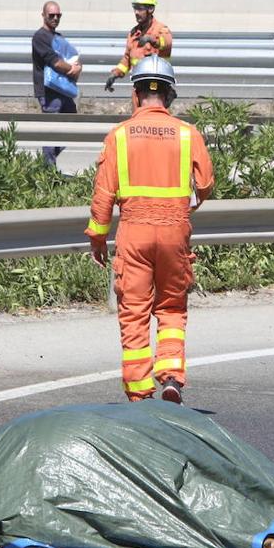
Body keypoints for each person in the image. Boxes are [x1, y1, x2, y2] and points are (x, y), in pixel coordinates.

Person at [85, 56, 214, 405]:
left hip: (135, 233)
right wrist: (184, 207)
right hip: (174, 232)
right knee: (171, 307)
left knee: (135, 310)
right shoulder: (189, 134)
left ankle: (140, 394)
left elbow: (103, 194)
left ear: (136, 94)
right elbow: (205, 184)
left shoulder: (119, 136)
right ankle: (171, 377)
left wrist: (98, 236)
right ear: (170, 96)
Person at [31, 0, 82, 167]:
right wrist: (72, 70)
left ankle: (46, 163)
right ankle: (48, 171)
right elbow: (55, 62)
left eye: (58, 15)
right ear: (43, 15)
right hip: (48, 91)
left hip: (63, 90)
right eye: (51, 15)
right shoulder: (40, 37)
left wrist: (78, 67)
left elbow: (73, 57)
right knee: (51, 131)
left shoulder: (58, 37)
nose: (55, 18)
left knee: (73, 128)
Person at [105, 0, 173, 91]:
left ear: (150, 9)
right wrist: (115, 73)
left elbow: (167, 43)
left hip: (159, 84)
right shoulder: (133, 34)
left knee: (157, 104)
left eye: (140, 9)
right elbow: (127, 59)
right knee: (136, 104)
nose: (136, 12)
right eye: (135, 8)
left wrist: (152, 39)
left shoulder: (161, 29)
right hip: (139, 84)